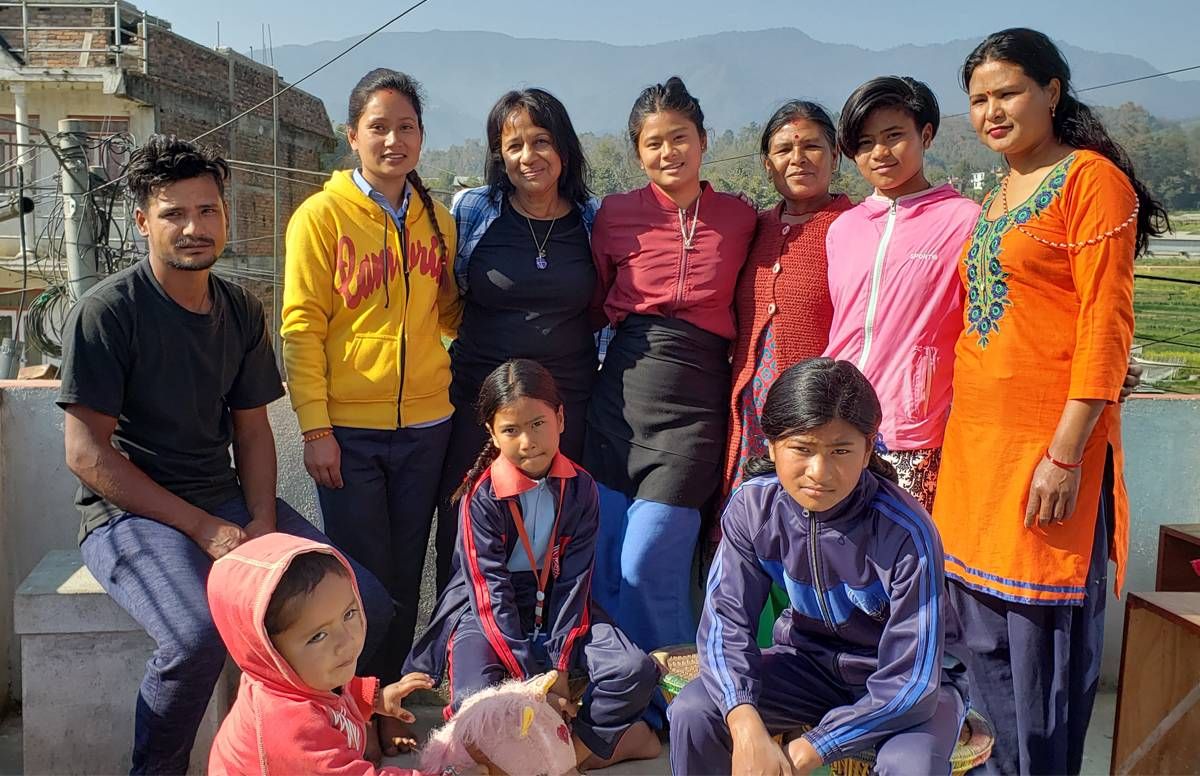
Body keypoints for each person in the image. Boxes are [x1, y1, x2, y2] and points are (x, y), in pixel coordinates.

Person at [58, 134, 392, 775]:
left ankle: (322, 746)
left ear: (225, 215)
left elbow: (254, 430)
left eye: (207, 210)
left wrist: (261, 524)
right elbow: (86, 455)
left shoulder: (238, 309)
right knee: (194, 639)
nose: (193, 227)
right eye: (173, 213)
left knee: (364, 600)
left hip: (227, 500)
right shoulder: (107, 314)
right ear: (142, 222)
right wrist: (204, 528)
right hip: (129, 516)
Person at [933, 29, 1169, 776]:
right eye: (978, 99)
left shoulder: (1090, 179)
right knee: (977, 645)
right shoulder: (997, 189)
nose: (992, 111)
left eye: (1008, 92)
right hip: (976, 452)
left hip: (1047, 453)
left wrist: (1066, 452)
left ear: (1052, 92)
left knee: (1038, 650)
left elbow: (1107, 324)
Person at [669, 359, 969, 776]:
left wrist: (816, 746)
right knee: (695, 710)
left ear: (868, 450)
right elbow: (725, 623)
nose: (819, 472)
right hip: (805, 666)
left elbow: (913, 681)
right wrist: (744, 723)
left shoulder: (906, 532)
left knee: (909, 765)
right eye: (802, 449)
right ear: (772, 446)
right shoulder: (753, 508)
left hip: (902, 690)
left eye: (840, 450)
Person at [282, 68, 460, 753]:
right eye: (378, 127)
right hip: (348, 433)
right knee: (359, 582)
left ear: (421, 137)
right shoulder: (320, 218)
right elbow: (300, 328)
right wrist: (316, 427)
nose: (393, 139)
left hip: (427, 426)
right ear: (351, 135)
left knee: (406, 571)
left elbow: (448, 312)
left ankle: (384, 708)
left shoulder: (437, 221)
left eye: (406, 126)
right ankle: (348, 711)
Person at [407, 359, 662, 771]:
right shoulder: (482, 497)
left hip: (562, 605)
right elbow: (490, 595)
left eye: (539, 424)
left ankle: (570, 756)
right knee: (476, 702)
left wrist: (560, 665)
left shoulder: (581, 488)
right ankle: (595, 751)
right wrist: (533, 683)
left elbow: (575, 582)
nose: (528, 441)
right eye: (511, 430)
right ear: (491, 433)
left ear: (561, 419)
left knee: (632, 670)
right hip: (486, 612)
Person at [586, 76, 757, 650]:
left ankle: (689, 710)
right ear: (638, 153)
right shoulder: (614, 214)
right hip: (622, 400)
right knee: (606, 568)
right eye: (654, 143)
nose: (668, 152)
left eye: (679, 138)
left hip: (695, 405)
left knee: (649, 567)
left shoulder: (740, 219)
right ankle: (621, 708)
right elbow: (593, 301)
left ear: (703, 141)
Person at [436, 88, 600, 594]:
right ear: (499, 155)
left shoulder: (594, 220)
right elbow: (445, 292)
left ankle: (546, 642)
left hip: (563, 401)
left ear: (564, 150)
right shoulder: (473, 210)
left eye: (541, 142)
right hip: (477, 399)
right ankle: (460, 636)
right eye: (514, 146)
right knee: (467, 520)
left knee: (550, 526)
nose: (528, 157)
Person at [823, 76, 980, 511]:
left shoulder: (965, 222)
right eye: (865, 142)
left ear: (925, 134)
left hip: (916, 434)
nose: (880, 152)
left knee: (905, 560)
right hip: (839, 427)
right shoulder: (843, 229)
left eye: (894, 136)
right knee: (841, 560)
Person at [207, 536, 437, 775]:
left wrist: (375, 699)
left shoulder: (302, 678)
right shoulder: (290, 730)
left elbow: (334, 696)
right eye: (318, 636)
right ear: (268, 653)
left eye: (349, 614)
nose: (346, 641)